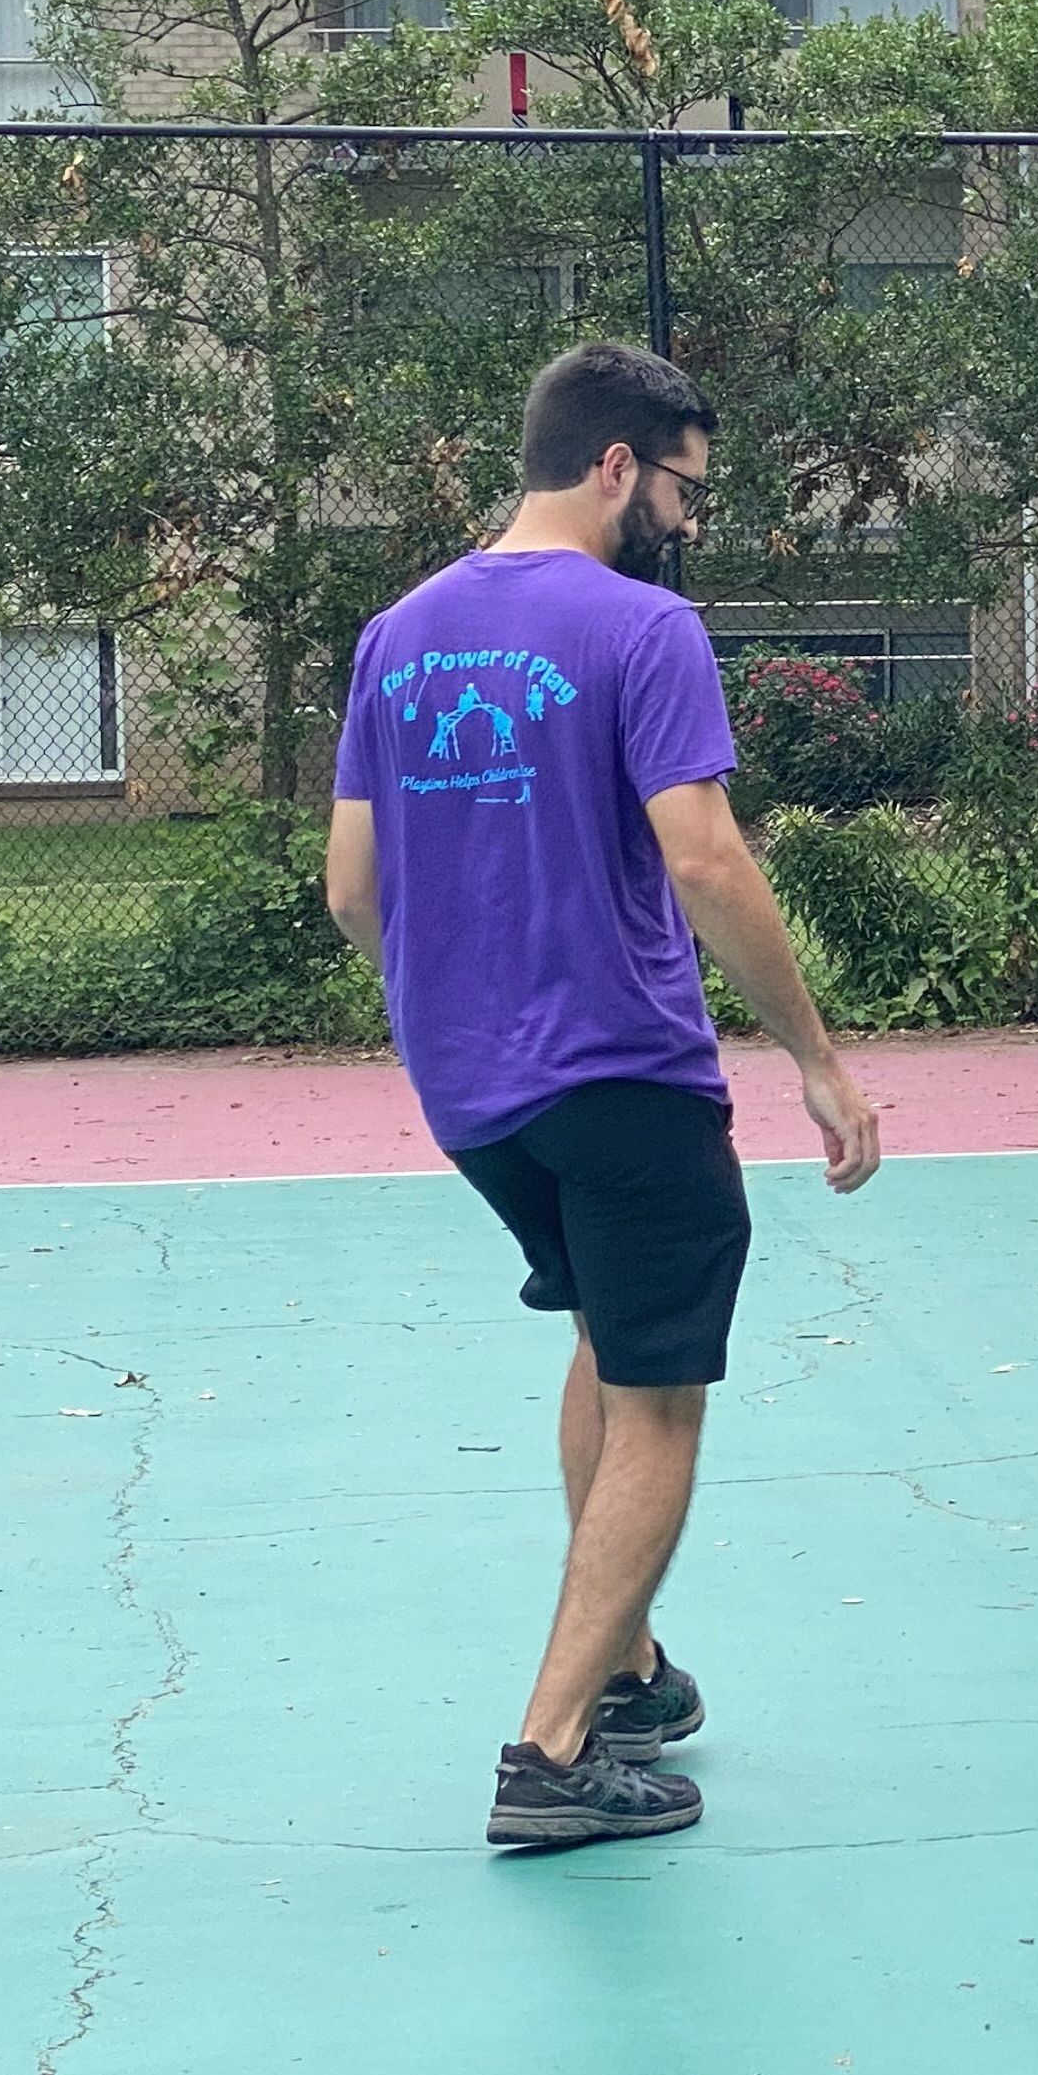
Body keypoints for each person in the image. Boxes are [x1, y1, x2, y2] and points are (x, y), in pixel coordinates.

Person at [327, 341, 883, 1852]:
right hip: (625, 1074)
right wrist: (819, 1064)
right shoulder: (643, 630)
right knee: (660, 1399)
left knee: (604, 1337)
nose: (692, 520)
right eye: (687, 487)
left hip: (472, 1095)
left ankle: (628, 1673)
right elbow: (705, 859)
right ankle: (553, 1748)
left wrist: (459, 1001)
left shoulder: (397, 635)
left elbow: (350, 889)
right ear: (620, 465)